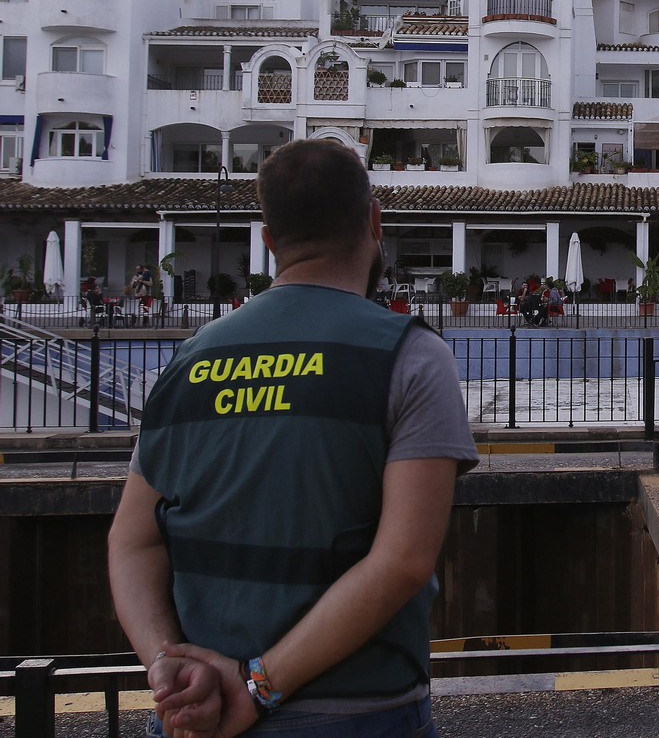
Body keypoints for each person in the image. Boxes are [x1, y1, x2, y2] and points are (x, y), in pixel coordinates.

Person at [107, 138, 478, 738]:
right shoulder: (409, 356)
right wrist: (257, 685)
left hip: (197, 718)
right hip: (359, 713)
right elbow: (403, 561)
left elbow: (132, 543)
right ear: (374, 223)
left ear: (269, 239)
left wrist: (168, 667)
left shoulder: (189, 361)